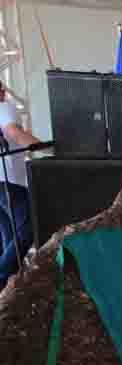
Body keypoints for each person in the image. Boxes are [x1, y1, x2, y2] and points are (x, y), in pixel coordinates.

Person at [0, 80, 41, 290]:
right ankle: (2, 279)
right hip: (8, 181)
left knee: (8, 237)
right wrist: (44, 148)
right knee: (28, 228)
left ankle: (9, 287)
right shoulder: (4, 107)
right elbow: (13, 132)